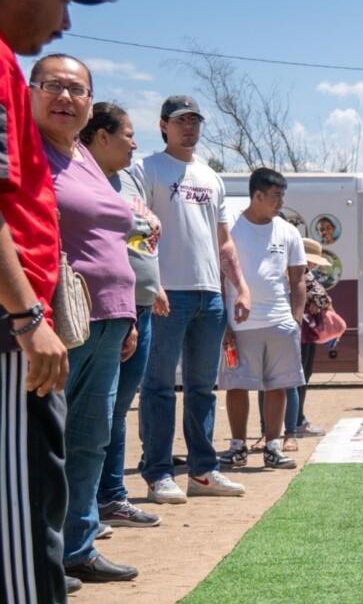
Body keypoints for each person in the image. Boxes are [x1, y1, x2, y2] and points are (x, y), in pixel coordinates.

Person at [0, 0, 156, 604]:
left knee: (46, 483)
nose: (63, 19)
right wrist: (28, 315)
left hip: (48, 321)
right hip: (19, 327)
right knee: (26, 501)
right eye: (63, 0)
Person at [33, 54, 144, 584]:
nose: (66, 98)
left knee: (90, 437)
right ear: (29, 92)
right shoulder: (27, 154)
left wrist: (128, 315)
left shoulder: (82, 157)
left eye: (78, 90)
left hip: (110, 319)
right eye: (53, 86)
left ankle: (77, 547)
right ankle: (36, 558)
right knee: (41, 443)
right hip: (55, 320)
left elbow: (113, 235)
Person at [133, 94, 250, 503]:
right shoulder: (146, 168)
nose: (189, 127)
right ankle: (158, 473)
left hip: (208, 295)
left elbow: (224, 242)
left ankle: (203, 471)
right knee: (159, 387)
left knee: (203, 387)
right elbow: (137, 233)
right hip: (167, 294)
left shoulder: (211, 176)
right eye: (181, 120)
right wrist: (153, 283)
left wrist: (240, 287)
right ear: (163, 124)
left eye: (195, 120)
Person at [80, 101, 163, 533]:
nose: (135, 142)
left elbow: (136, 242)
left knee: (116, 410)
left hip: (139, 307)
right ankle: (86, 510)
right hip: (101, 312)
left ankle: (110, 498)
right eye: (128, 134)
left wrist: (155, 286)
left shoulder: (126, 178)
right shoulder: (79, 176)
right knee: (93, 415)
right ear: (101, 136)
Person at [214, 168, 305, 473]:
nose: (280, 202)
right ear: (257, 195)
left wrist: (296, 318)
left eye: (282, 195)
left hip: (279, 321)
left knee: (277, 386)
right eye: (275, 195)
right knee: (237, 386)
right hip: (239, 322)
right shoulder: (231, 227)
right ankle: (238, 447)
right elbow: (219, 274)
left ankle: (273, 446)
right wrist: (223, 321)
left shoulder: (288, 231)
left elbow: (298, 279)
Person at [296, 237, 332, 436]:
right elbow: (321, 297)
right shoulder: (297, 273)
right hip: (299, 332)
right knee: (299, 377)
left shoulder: (305, 274)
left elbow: (323, 298)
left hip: (306, 332)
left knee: (303, 376)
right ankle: (296, 421)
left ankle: (297, 419)